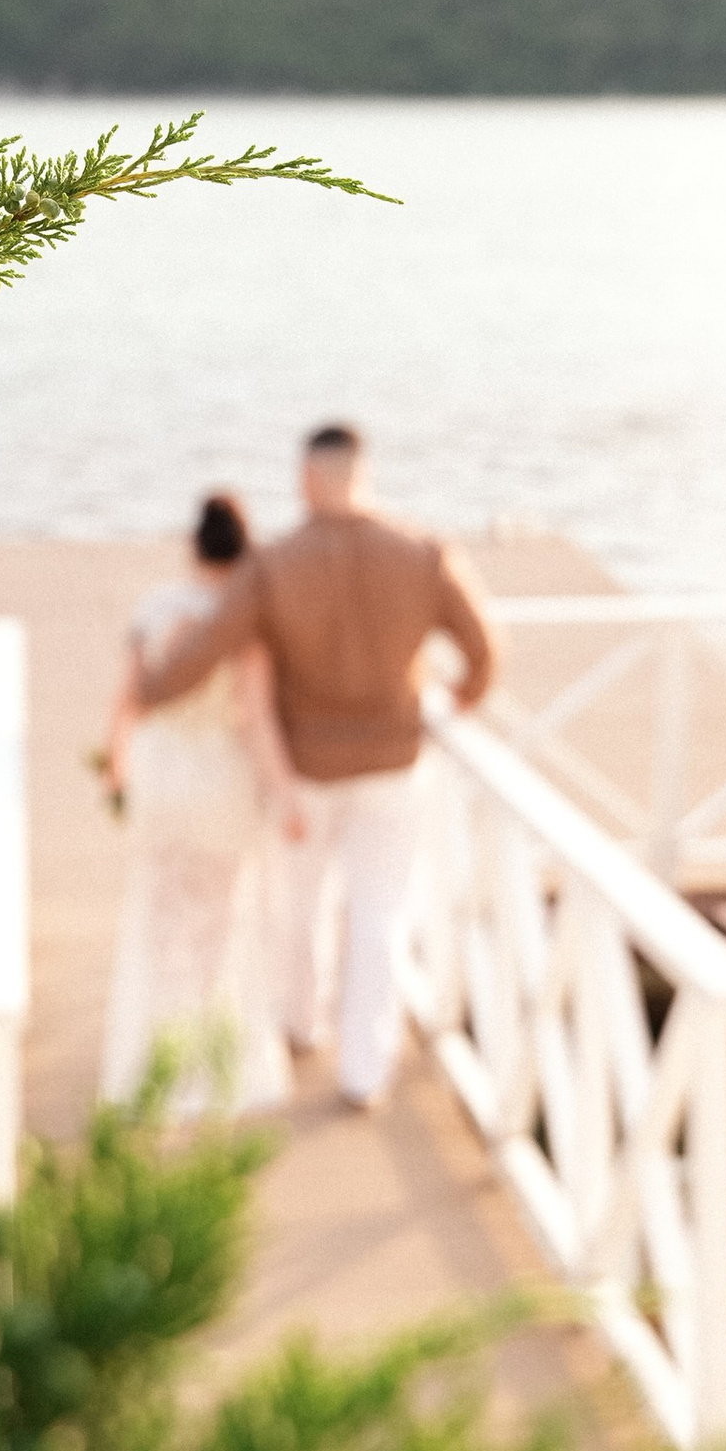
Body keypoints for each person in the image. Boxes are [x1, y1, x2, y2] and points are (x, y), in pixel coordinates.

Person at [135, 425, 496, 1109]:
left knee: (301, 906)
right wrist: (463, 695)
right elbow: (483, 650)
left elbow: (205, 651)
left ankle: (303, 1025)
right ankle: (366, 1070)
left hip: (306, 768)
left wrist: (144, 690)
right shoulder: (422, 556)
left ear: (307, 480)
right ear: (363, 473)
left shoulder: (274, 567)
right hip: (393, 762)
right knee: (379, 916)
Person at [99, 490, 300, 1115]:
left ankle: (156, 1060)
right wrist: (285, 792)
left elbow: (127, 698)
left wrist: (116, 763)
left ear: (194, 546)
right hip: (220, 776)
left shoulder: (154, 608)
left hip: (161, 771)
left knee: (159, 917)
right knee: (218, 918)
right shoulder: (243, 617)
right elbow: (257, 721)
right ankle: (211, 1066)